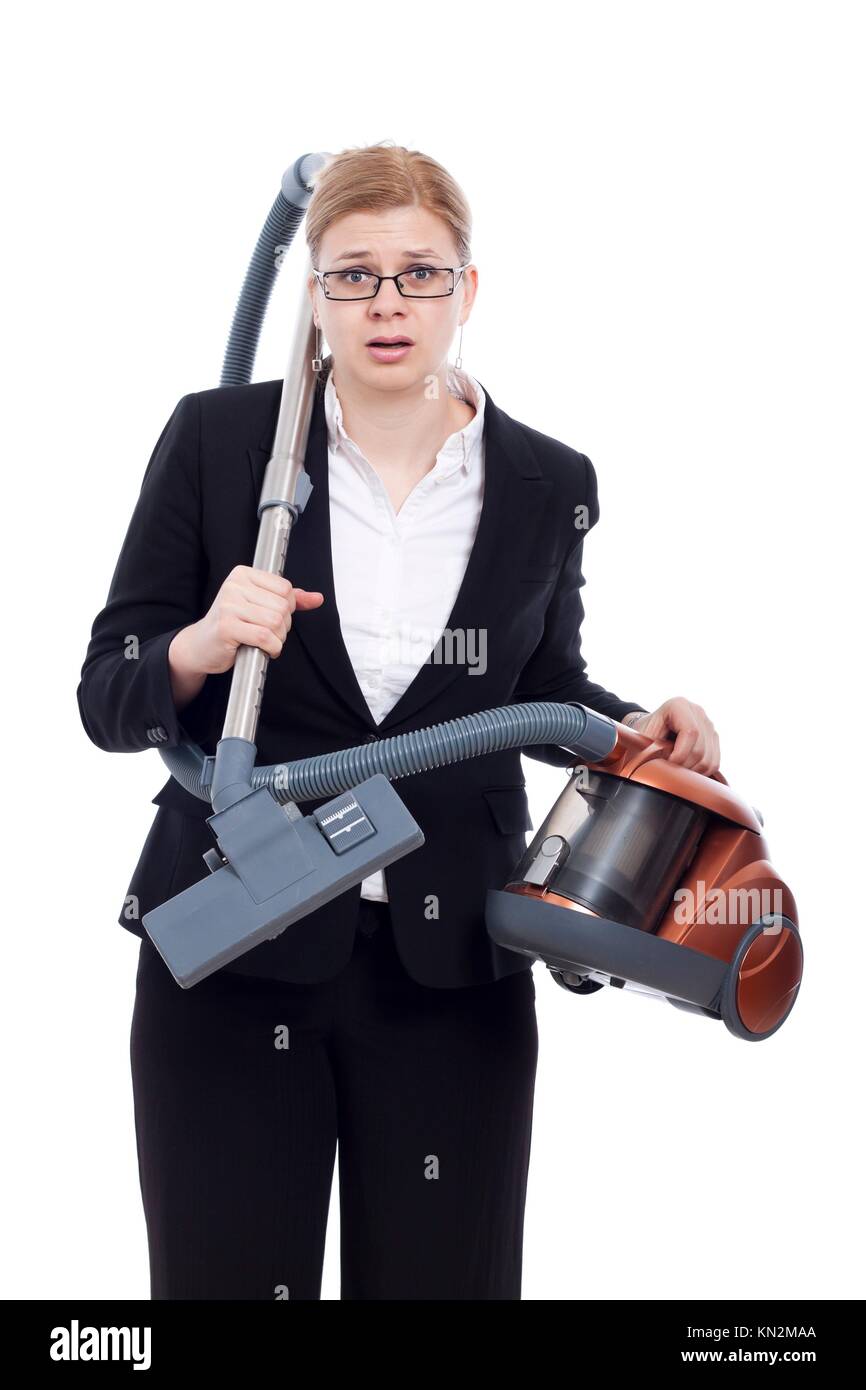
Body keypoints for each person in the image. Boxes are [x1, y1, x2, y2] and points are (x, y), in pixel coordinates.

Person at [76, 142, 720, 1301]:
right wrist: (200, 645)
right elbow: (106, 691)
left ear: (466, 290)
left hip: (450, 974)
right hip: (235, 958)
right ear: (311, 292)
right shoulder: (222, 442)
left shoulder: (543, 478)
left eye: (419, 274)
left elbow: (533, 687)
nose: (386, 303)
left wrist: (636, 725)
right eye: (353, 274)